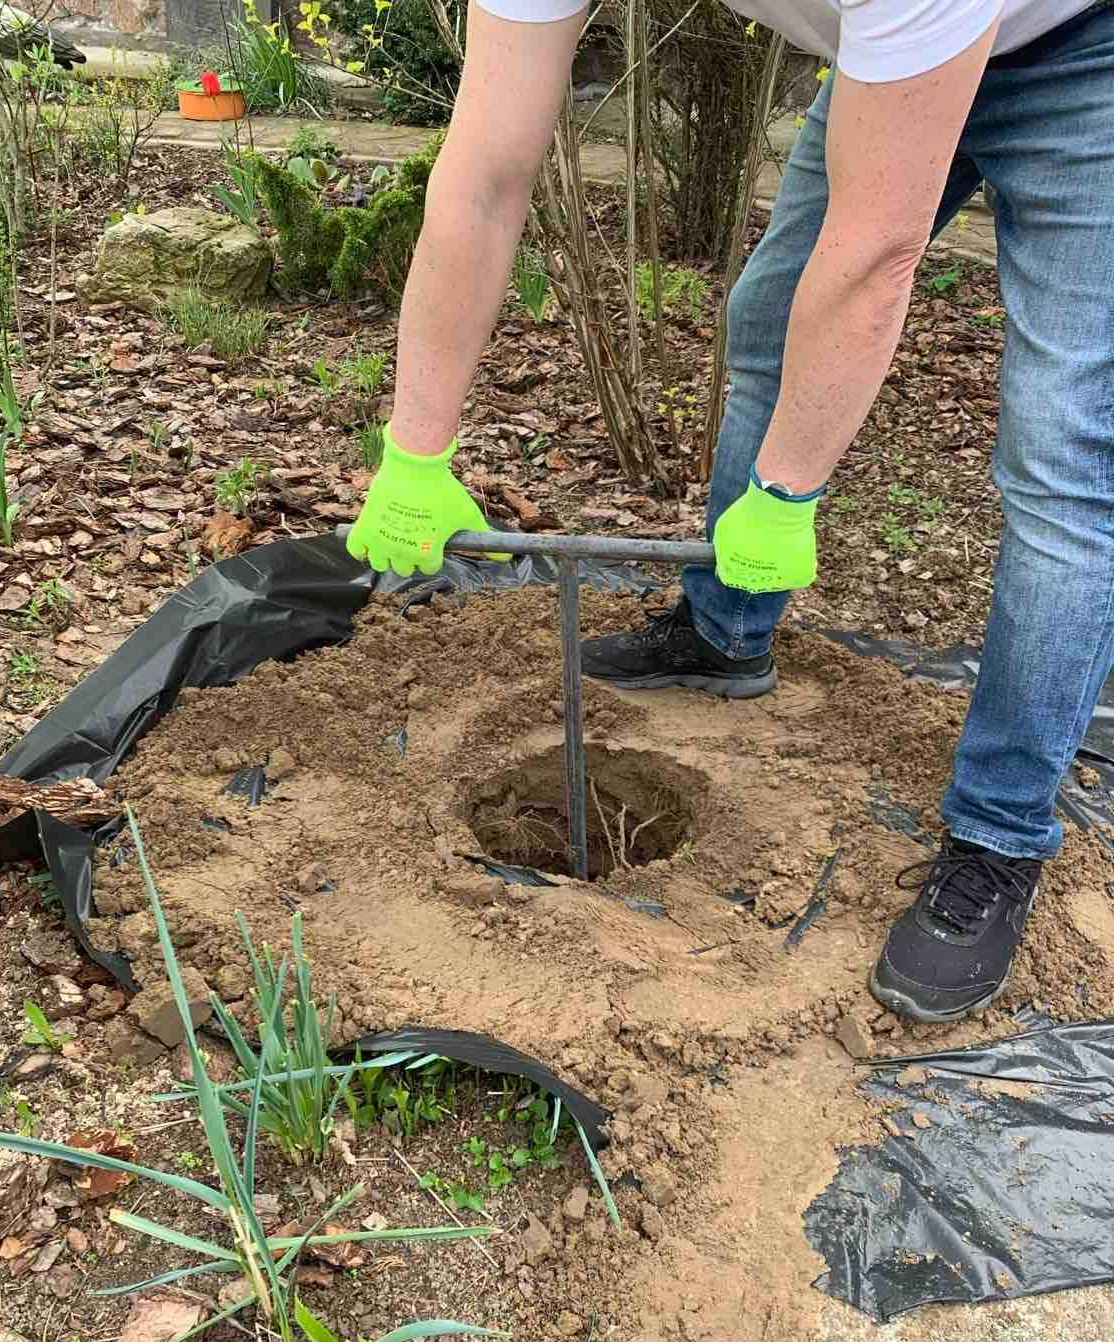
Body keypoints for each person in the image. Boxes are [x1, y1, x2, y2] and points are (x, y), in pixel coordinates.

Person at [346, 0, 1114, 1025]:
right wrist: (415, 448)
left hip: (1083, 63)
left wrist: (788, 485)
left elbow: (879, 250)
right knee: (766, 315)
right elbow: (483, 176)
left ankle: (999, 837)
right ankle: (724, 638)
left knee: (1065, 451)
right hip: (897, 60)